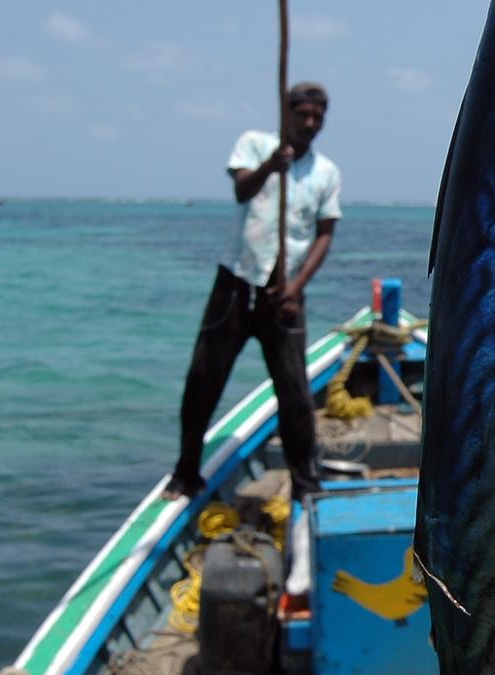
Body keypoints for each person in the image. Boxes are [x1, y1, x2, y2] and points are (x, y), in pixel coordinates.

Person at [163, 81, 342, 502]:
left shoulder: (326, 172)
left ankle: (305, 484)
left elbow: (324, 235)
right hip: (236, 285)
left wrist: (296, 288)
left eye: (318, 117)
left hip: (284, 296)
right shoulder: (255, 144)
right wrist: (271, 165)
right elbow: (242, 189)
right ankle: (186, 473)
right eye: (303, 115)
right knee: (203, 380)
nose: (310, 123)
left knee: (296, 393)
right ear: (287, 112)